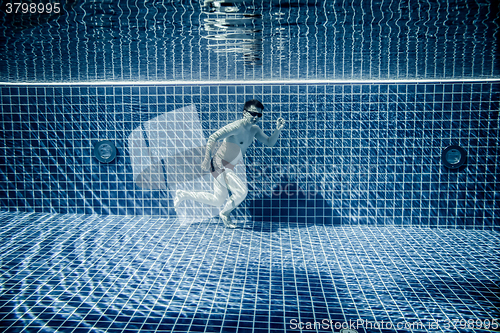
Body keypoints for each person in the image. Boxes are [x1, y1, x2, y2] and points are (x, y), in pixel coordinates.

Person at [174, 99, 286, 228]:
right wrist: (206, 159)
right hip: (219, 164)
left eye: (259, 115)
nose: (256, 117)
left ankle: (183, 194)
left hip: (227, 167)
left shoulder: (254, 130)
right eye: (253, 113)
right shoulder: (236, 127)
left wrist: (277, 130)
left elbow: (269, 142)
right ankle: (225, 214)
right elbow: (213, 137)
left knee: (218, 200)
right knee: (242, 192)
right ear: (245, 113)